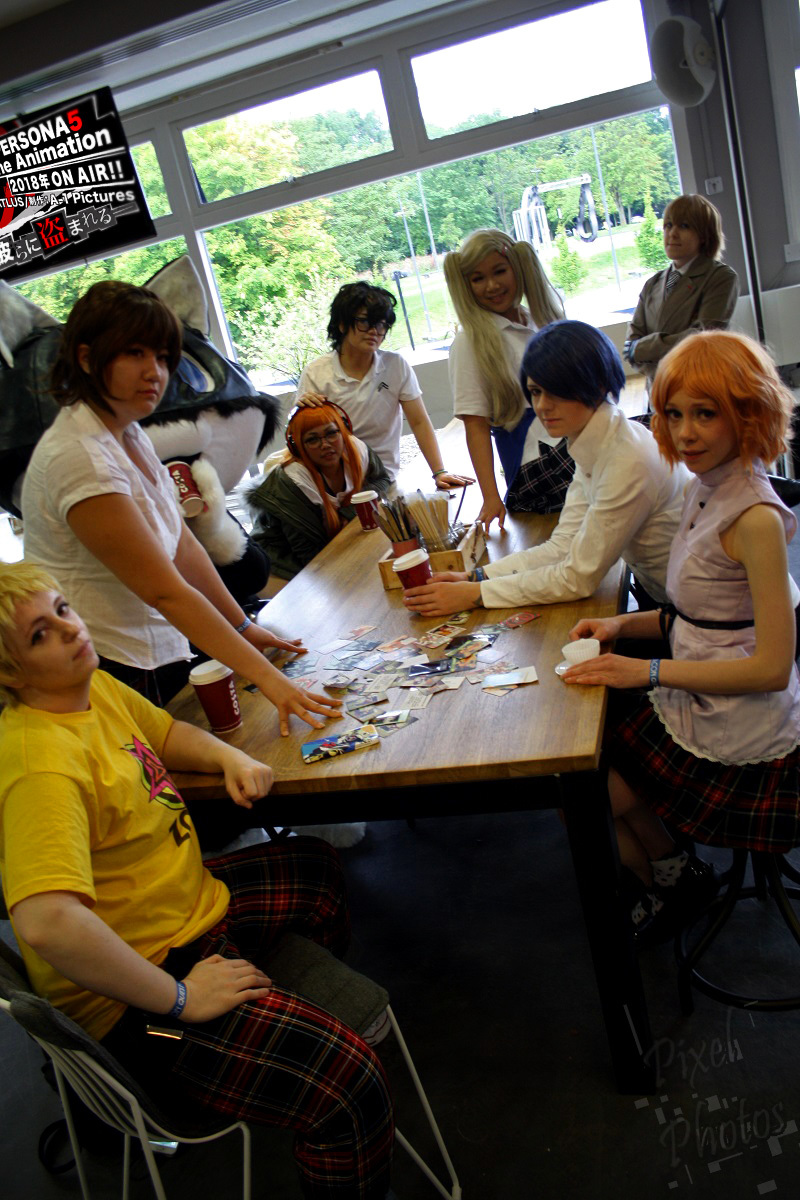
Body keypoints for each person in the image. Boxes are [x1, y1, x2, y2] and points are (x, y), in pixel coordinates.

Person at [0, 562, 394, 1199]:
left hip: (185, 916)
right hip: (137, 1005)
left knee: (315, 870)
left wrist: (227, 755)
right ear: (10, 673)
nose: (71, 630)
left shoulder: (89, 687)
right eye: (40, 634)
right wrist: (179, 999)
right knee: (350, 1088)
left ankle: (282, 1031)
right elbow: (46, 923)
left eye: (63, 610)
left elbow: (166, 733)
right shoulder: (38, 765)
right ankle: (290, 1064)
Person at [563, 331, 800, 946]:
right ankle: (671, 871)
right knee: (585, 746)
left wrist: (645, 670)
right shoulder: (705, 484)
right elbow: (701, 617)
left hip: (746, 735)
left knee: (584, 765)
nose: (686, 433)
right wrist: (621, 625)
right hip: (708, 701)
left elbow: (772, 667)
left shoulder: (755, 517)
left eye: (705, 414)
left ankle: (665, 876)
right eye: (673, 414)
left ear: (749, 414)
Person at [20, 280, 340, 734]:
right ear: (87, 358)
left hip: (152, 647)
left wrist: (243, 625)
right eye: (135, 353)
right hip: (108, 664)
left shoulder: (127, 431)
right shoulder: (78, 456)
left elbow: (182, 544)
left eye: (162, 357)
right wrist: (271, 680)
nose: (154, 372)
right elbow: (165, 590)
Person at [403, 321, 688, 619]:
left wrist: (475, 594)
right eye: (536, 391)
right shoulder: (597, 441)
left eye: (558, 392)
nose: (542, 406)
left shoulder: (626, 460)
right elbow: (563, 545)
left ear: (599, 385)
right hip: (662, 598)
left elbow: (578, 579)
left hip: (686, 612)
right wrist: (476, 577)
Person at [296, 280, 472, 492]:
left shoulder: (395, 365)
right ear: (342, 324)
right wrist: (303, 412)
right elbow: (304, 437)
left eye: (381, 325)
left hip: (381, 477)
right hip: (334, 482)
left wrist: (439, 472)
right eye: (364, 322)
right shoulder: (316, 373)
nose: (374, 331)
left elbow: (419, 422)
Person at [444, 228, 567, 531]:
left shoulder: (543, 319)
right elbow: (475, 425)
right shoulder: (469, 343)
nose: (492, 285)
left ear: (519, 268)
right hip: (533, 464)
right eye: (478, 278)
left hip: (573, 442)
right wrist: (491, 497)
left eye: (499, 271)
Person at [246, 400, 392, 580]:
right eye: (312, 439)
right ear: (298, 446)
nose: (325, 444)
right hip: (278, 564)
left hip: (331, 545)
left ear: (343, 431)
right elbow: (308, 554)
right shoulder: (293, 482)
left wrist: (348, 512)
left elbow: (382, 480)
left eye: (331, 433)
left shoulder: (357, 450)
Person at [624, 194, 739, 391]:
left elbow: (702, 339)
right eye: (668, 225)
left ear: (704, 235)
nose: (672, 233)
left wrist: (647, 348)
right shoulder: (652, 284)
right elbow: (631, 349)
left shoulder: (720, 277)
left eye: (684, 226)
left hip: (701, 390)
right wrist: (650, 355)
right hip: (659, 393)